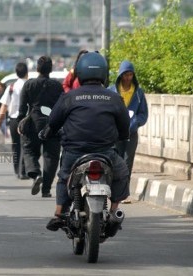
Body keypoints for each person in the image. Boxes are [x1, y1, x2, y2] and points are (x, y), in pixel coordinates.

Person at [41, 51, 130, 231]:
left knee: (64, 176)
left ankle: (59, 213)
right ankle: (114, 211)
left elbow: (53, 122)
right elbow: (124, 128)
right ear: (104, 74)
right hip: (106, 152)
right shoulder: (114, 98)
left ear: (80, 73)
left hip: (74, 152)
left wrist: (47, 132)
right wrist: (120, 137)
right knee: (122, 173)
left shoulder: (69, 97)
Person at [17, 56, 63, 197]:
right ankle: (46, 189)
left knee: (29, 151)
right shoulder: (57, 86)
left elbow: (22, 108)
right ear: (51, 69)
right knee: (51, 157)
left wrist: (20, 123)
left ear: (37, 68)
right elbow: (62, 107)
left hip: (33, 123)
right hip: (52, 125)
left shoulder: (29, 85)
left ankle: (36, 174)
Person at [108, 60, 148, 204]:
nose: (127, 78)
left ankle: (123, 193)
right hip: (115, 134)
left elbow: (143, 113)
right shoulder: (111, 91)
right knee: (114, 161)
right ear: (120, 75)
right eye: (125, 75)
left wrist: (136, 122)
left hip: (131, 134)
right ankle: (112, 190)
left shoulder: (138, 93)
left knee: (127, 163)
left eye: (130, 75)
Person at [0, 62, 29, 179]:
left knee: (15, 146)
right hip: (27, 120)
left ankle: (17, 171)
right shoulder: (30, 85)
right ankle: (23, 171)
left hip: (14, 120)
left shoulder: (11, 87)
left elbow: (4, 106)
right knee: (26, 145)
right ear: (27, 73)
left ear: (16, 73)